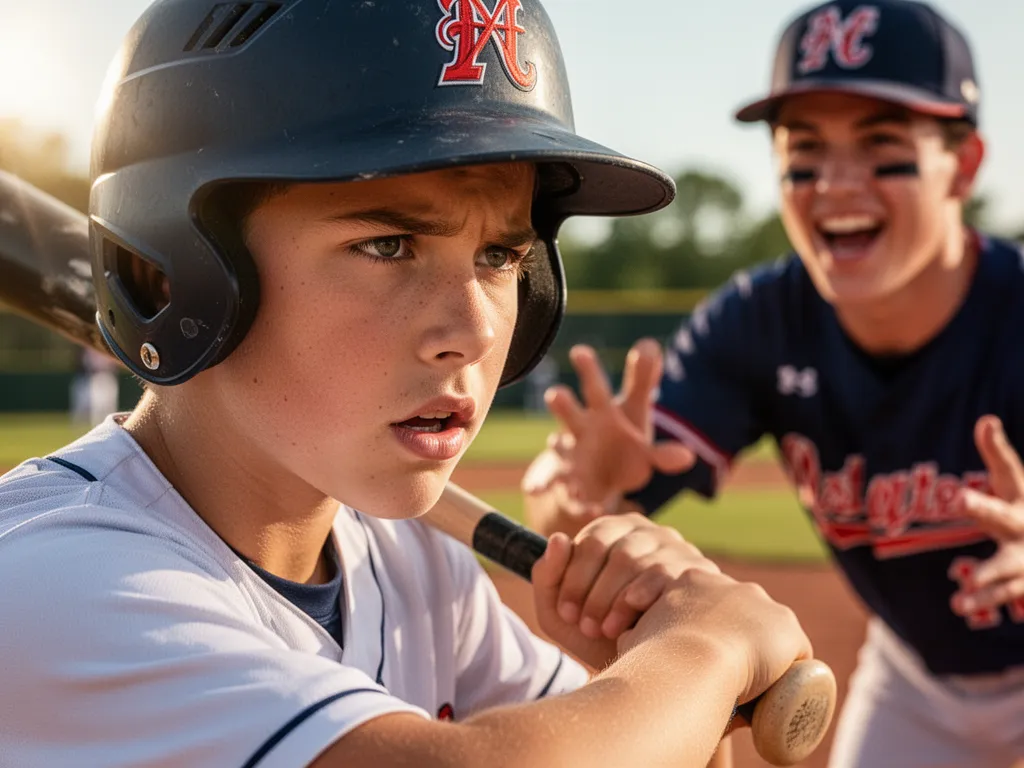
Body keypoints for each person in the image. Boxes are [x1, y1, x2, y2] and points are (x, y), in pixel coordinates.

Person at [0, 1, 812, 766]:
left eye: (499, 257)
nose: (477, 330)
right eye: (388, 246)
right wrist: (701, 652)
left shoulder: (415, 564)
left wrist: (642, 672)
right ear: (166, 271)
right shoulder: (55, 580)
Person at [523, 1, 1024, 766]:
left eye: (881, 144)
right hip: (919, 679)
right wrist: (582, 494)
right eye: (806, 149)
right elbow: (576, 511)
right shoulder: (760, 321)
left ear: (963, 164)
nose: (835, 184)